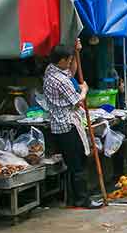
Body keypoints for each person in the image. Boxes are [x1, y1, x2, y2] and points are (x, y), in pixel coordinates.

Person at [43, 44, 100, 208]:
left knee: (76, 162)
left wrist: (76, 53)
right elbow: (77, 100)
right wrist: (84, 89)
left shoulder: (52, 70)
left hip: (63, 124)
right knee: (77, 163)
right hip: (66, 125)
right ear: (61, 60)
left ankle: (75, 198)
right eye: (68, 60)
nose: (70, 63)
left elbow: (71, 72)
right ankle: (82, 200)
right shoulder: (58, 80)